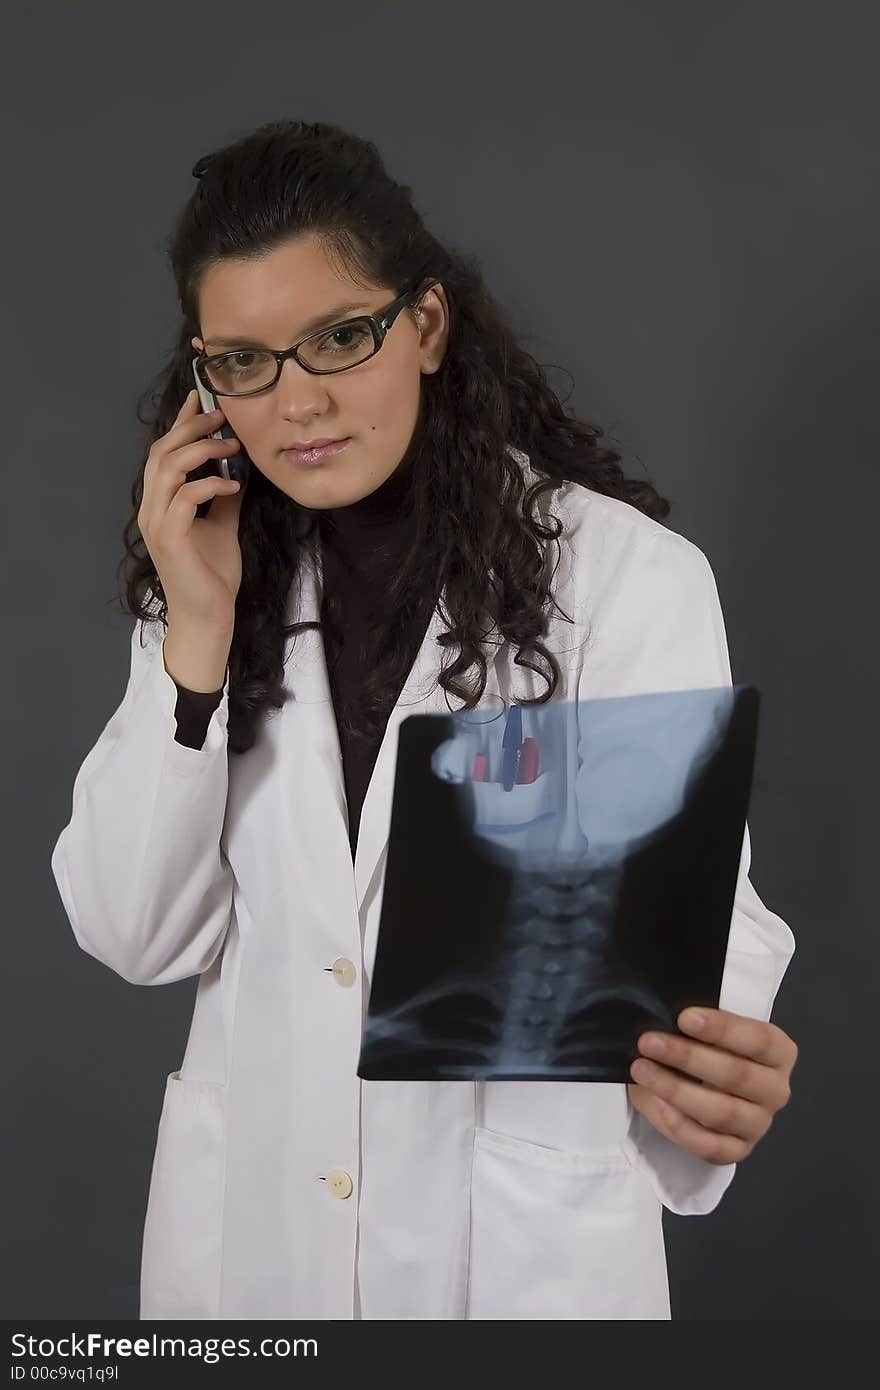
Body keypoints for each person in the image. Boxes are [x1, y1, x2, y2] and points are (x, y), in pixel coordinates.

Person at [50, 118, 797, 1321]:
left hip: (509, 1260)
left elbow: (697, 914)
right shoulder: (209, 582)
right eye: (242, 362)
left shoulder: (624, 581)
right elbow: (133, 930)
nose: (295, 402)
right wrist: (192, 636)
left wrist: (714, 1059)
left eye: (339, 338)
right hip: (252, 1263)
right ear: (205, 382)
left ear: (427, 326)